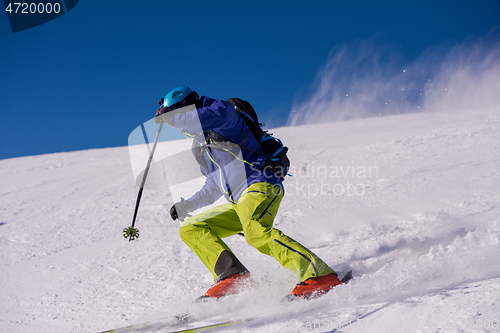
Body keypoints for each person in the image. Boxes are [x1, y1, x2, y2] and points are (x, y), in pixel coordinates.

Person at [155, 86, 345, 300]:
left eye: (179, 115)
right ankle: (233, 276)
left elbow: (205, 117)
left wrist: (173, 117)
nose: (176, 124)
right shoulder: (200, 146)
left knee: (255, 232)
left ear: (190, 107)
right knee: (191, 228)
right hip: (238, 202)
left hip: (260, 185)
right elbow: (213, 185)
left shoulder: (223, 113)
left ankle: (319, 275)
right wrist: (189, 204)